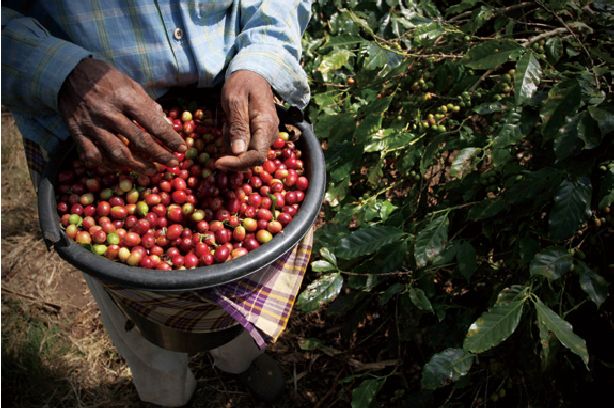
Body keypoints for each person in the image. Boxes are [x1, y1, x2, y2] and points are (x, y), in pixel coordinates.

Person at [2, 1, 313, 406]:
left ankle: (239, 357)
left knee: (245, 292)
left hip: (228, 114)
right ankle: (164, 393)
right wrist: (57, 71)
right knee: (131, 305)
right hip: (92, 139)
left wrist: (264, 55)